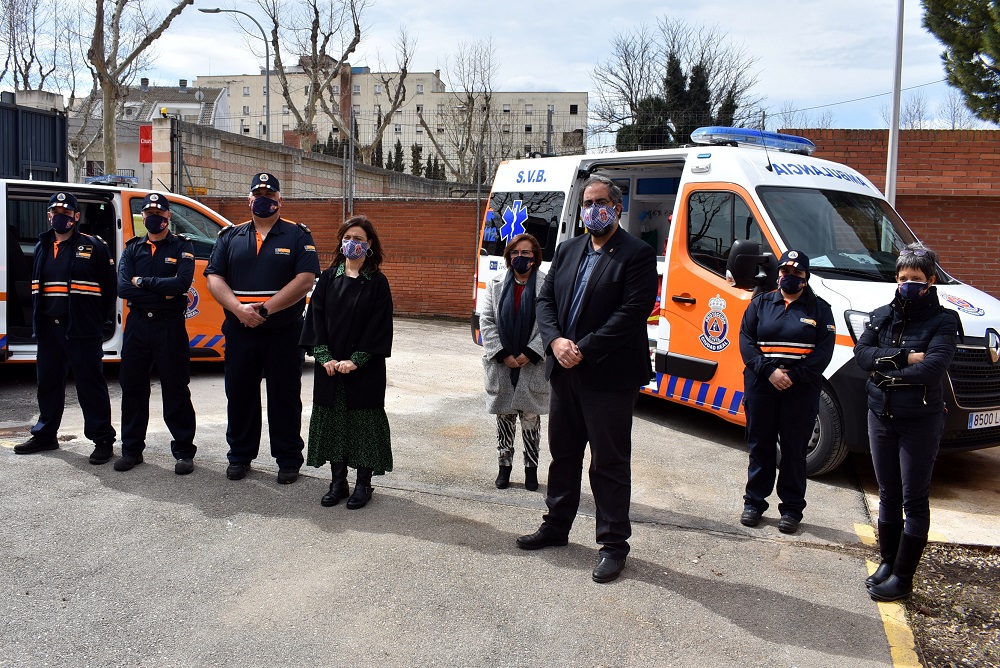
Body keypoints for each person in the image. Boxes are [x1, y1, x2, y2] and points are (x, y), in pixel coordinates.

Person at [516, 174, 658, 584]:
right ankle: (557, 526)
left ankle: (613, 545)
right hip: (564, 372)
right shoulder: (568, 249)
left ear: (616, 206)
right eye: (586, 202)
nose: (593, 209)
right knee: (563, 455)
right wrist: (556, 341)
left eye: (600, 202)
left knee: (609, 463)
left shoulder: (636, 254)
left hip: (609, 377)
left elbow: (633, 313)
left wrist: (584, 348)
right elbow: (546, 301)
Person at [854, 243, 959, 602]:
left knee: (914, 499)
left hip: (920, 420)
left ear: (930, 282)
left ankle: (903, 577)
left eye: (916, 279)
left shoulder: (944, 321)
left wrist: (886, 371)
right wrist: (902, 357)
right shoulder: (882, 315)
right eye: (902, 278)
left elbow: (933, 368)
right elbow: (861, 355)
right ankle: (887, 562)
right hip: (880, 416)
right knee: (888, 494)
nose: (908, 284)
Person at [204, 173, 320, 484]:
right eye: (258, 193)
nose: (264, 198)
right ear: (249, 199)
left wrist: (265, 310)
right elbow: (214, 278)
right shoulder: (230, 236)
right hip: (240, 330)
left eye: (270, 193)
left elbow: (305, 280)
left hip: (283, 331)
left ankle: (288, 460)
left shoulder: (298, 236)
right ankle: (240, 456)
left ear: (281, 200)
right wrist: (238, 309)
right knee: (240, 394)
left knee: (284, 396)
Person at [14, 191, 117, 464]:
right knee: (48, 384)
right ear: (48, 215)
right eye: (55, 212)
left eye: (65, 212)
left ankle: (102, 440)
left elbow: (109, 290)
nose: (60, 217)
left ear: (76, 216)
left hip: (81, 330)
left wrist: (95, 322)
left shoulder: (94, 246)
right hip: (49, 330)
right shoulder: (42, 246)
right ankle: (46, 435)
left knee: (90, 386)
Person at [738, 250, 836, 534]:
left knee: (794, 450)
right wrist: (769, 372)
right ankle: (754, 503)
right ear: (778, 274)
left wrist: (793, 376)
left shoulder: (820, 309)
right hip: (761, 385)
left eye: (796, 273)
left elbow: (823, 352)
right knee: (760, 446)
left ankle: (791, 510)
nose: (789, 278)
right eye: (784, 272)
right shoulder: (760, 303)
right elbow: (746, 341)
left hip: (800, 389)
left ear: (806, 277)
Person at [300, 216, 393, 509]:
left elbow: (379, 327)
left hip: (363, 371)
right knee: (334, 424)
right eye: (348, 237)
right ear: (341, 242)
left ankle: (363, 485)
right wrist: (325, 357)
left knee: (363, 426)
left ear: (369, 246)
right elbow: (315, 319)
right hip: (330, 370)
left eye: (359, 239)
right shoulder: (328, 278)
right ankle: (337, 482)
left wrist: (356, 360)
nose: (353, 243)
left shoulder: (377, 282)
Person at [114, 193, 198, 475]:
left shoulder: (182, 247)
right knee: (133, 388)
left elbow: (182, 284)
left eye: (159, 213)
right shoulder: (132, 248)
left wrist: (144, 283)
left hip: (169, 326)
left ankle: (184, 452)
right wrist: (159, 291)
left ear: (168, 216)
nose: (154, 217)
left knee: (175, 388)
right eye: (148, 212)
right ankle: (132, 450)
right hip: (138, 326)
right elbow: (123, 288)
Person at [479, 233, 548, 491]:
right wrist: (503, 353)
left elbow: (550, 323)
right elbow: (486, 320)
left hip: (532, 364)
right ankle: (504, 468)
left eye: (526, 253)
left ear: (535, 257)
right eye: (516, 253)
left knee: (531, 421)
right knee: (504, 419)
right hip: (502, 364)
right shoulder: (496, 283)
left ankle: (531, 470)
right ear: (509, 256)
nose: (521, 257)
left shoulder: (545, 285)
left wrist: (530, 353)